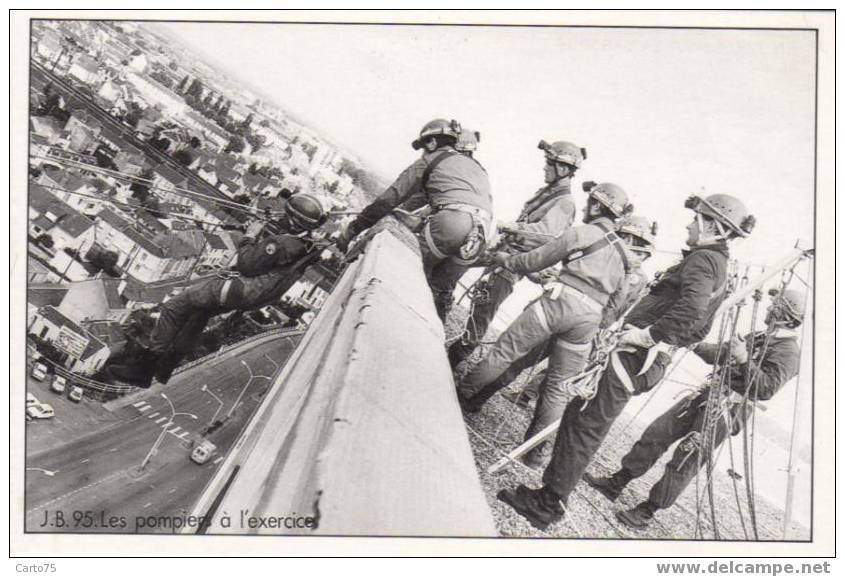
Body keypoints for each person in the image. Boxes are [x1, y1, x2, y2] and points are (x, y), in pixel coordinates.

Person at [497, 193, 756, 531]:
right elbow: (701, 324)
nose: (690, 224)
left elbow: (692, 311)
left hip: (632, 356)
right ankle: (549, 494)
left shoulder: (705, 259)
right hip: (638, 357)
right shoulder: (717, 266)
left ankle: (548, 504)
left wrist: (650, 337)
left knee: (585, 425)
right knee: (580, 416)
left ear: (714, 226)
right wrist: (664, 346)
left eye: (697, 219)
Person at [585, 288, 803, 529]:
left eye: (775, 304)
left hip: (728, 410)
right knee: (657, 433)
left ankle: (648, 510)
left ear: (785, 313)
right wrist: (690, 342)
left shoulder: (789, 353)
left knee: (686, 458)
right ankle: (617, 482)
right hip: (707, 395)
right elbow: (720, 353)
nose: (769, 306)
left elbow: (766, 389)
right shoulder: (762, 336)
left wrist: (743, 358)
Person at [456, 183, 635, 454]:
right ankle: (534, 453)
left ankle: (460, 394)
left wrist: (505, 258)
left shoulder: (581, 233)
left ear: (599, 205)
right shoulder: (627, 256)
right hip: (589, 319)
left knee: (506, 351)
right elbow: (618, 302)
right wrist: (596, 321)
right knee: (558, 387)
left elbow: (534, 261)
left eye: (590, 202)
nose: (586, 207)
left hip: (559, 302)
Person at [97, 192, 331, 388]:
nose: (280, 217)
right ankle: (165, 367)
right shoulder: (305, 244)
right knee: (197, 316)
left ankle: (143, 368)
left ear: (293, 221)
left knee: (173, 308)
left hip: (238, 288)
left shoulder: (279, 244)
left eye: (285, 214)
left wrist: (250, 236)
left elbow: (246, 264)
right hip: (252, 296)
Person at [496, 215, 658, 413]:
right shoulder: (633, 274)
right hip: (587, 327)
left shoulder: (626, 270)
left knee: (531, 360)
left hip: (575, 321)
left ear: (629, 239)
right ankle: (524, 396)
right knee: (554, 374)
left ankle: (488, 394)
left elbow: (614, 306)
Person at [336, 119, 493, 321]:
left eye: (423, 147)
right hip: (481, 235)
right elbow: (423, 199)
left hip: (451, 224)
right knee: (436, 294)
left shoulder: (431, 160)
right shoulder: (475, 168)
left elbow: (389, 198)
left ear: (431, 143)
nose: (423, 153)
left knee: (407, 277)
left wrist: (352, 230)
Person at [448, 140, 586, 368]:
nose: (544, 168)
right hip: (502, 253)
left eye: (548, 163)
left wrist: (511, 227)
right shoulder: (549, 194)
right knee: (460, 266)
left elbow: (547, 234)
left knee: (483, 311)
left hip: (511, 263)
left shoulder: (564, 203)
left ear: (562, 168)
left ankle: (453, 359)